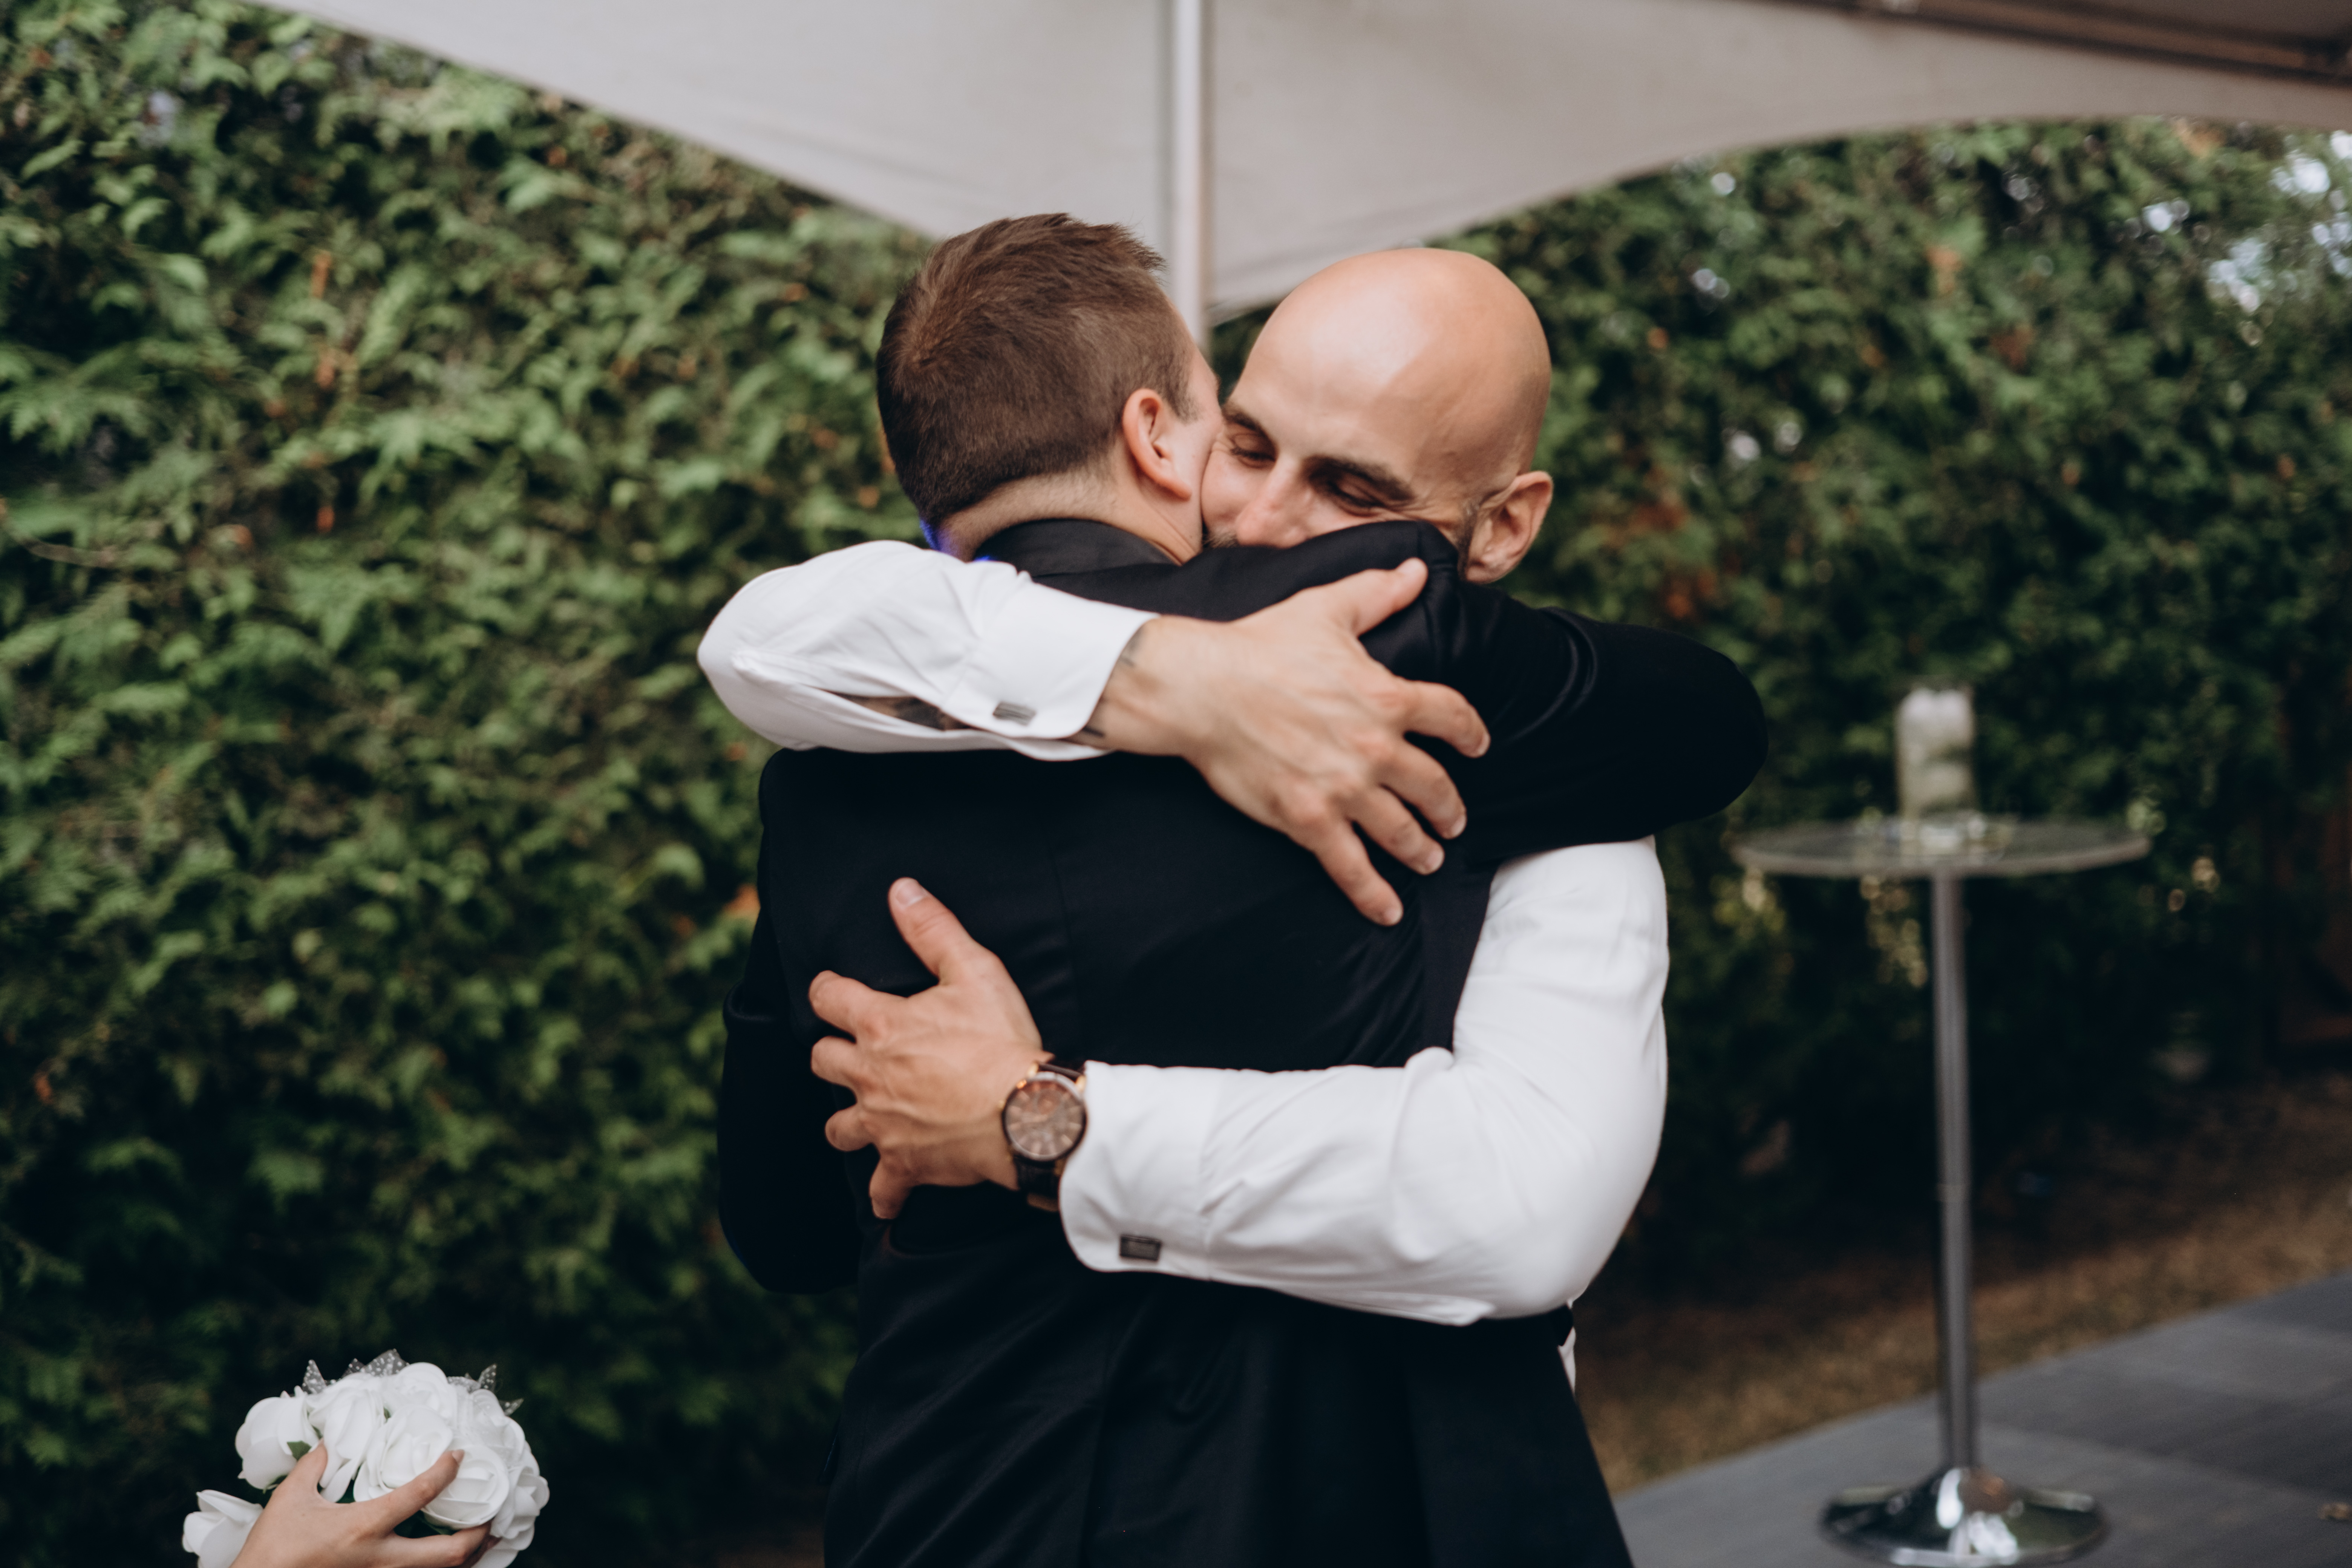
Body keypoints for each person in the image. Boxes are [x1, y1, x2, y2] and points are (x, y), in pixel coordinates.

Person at [707, 216, 1766, 1567]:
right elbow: (1715, 724)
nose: (1262, 527)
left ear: (1503, 525)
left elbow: (791, 1229)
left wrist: (1038, 1119)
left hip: (966, 1503)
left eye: (1354, 491)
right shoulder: (1403, 660)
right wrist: (1176, 674)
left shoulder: (829, 771)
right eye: (1248, 445)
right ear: (1163, 435)